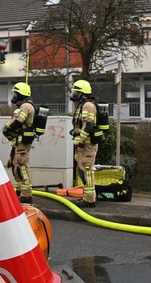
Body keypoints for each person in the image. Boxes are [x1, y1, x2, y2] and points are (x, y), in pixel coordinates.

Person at [2, 82, 36, 204]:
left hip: (23, 142)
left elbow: (18, 121)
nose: (14, 97)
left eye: (15, 94)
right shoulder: (23, 106)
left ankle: (26, 195)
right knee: (16, 166)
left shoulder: (26, 106)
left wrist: (6, 127)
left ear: (21, 95)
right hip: (18, 141)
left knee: (22, 167)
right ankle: (20, 191)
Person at [70, 79, 99, 208]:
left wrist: (81, 141)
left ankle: (90, 199)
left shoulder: (88, 106)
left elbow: (88, 126)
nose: (74, 95)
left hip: (87, 145)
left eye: (76, 92)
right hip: (83, 145)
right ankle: (87, 197)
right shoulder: (83, 105)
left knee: (87, 171)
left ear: (82, 93)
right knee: (82, 170)